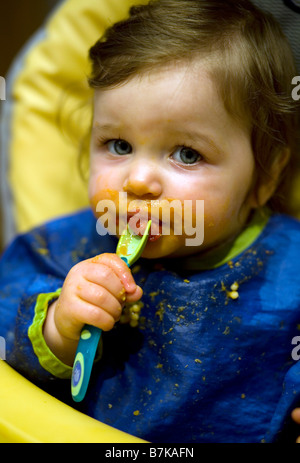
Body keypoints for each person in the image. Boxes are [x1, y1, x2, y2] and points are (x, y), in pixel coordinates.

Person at [1, 0, 300, 443]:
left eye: (187, 154)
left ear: (264, 177)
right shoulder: (60, 248)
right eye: (118, 145)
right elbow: (8, 331)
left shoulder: (290, 269)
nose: (138, 181)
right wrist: (59, 327)